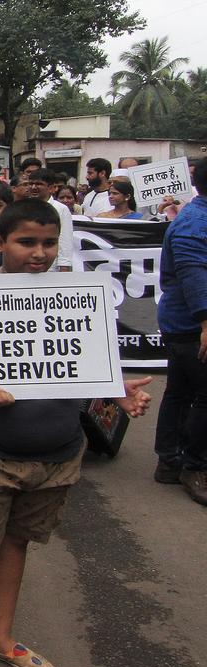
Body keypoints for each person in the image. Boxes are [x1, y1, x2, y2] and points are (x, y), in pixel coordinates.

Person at [0, 198, 153, 667]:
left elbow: (86, 365)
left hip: (56, 455)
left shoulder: (78, 296)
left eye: (49, 242)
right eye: (27, 242)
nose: (40, 253)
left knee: (15, 543)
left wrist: (118, 389)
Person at [153, 156, 207, 505]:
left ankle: (170, 461)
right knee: (204, 395)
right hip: (192, 326)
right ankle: (195, 466)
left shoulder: (194, 216)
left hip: (187, 324)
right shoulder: (195, 223)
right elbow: (194, 275)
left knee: (180, 391)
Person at [32, 168, 74, 270]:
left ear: (51, 188)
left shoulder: (61, 209)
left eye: (38, 184)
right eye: (31, 183)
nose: (33, 187)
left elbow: (65, 241)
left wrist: (64, 268)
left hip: (51, 268)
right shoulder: (23, 207)